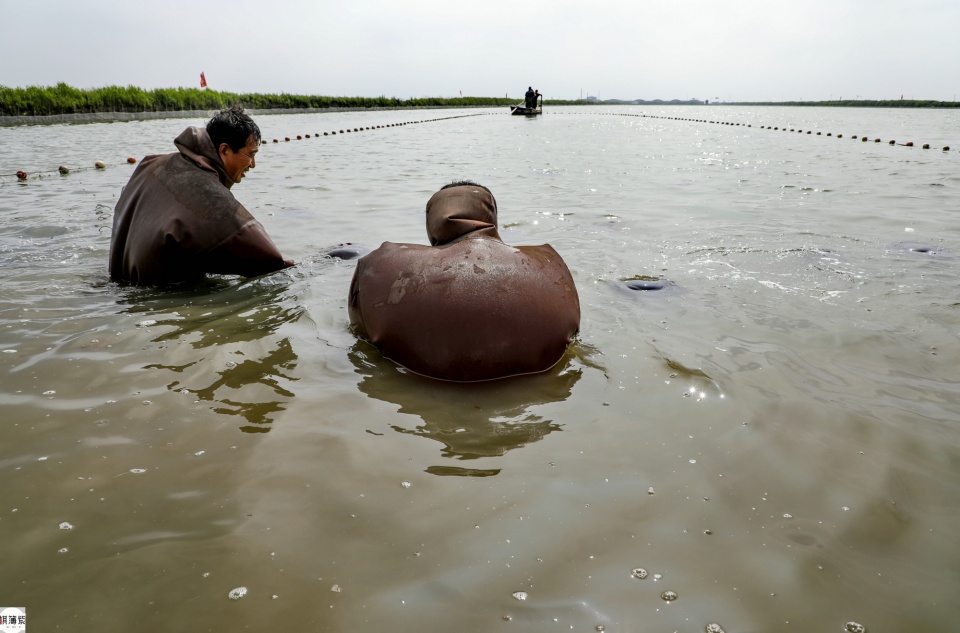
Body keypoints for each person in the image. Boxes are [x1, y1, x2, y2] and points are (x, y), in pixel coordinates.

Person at [348, 181, 580, 381]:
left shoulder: (380, 264)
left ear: (432, 223)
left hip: (424, 384)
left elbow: (358, 335)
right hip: (541, 378)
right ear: (492, 218)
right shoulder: (551, 264)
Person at [109, 105, 293, 286]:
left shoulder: (152, 164)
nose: (253, 164)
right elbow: (269, 260)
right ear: (224, 150)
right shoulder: (205, 191)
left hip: (120, 284)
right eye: (250, 154)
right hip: (156, 299)